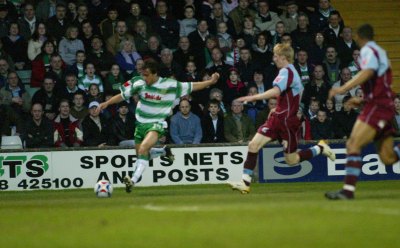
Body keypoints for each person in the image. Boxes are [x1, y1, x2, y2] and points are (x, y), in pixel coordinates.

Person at [96, 59, 220, 193]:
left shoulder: (169, 85)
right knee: (142, 155)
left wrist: (210, 82)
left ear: (155, 74)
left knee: (143, 148)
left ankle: (133, 180)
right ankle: (163, 151)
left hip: (157, 124)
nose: (144, 77)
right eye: (143, 74)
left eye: (147, 75)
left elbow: (193, 86)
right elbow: (122, 95)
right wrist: (106, 103)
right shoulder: (140, 83)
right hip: (140, 124)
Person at [228, 43, 336, 194]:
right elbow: (285, 97)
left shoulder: (287, 72)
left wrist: (254, 97)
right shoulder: (287, 72)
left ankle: (320, 148)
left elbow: (276, 91)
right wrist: (276, 109)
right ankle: (245, 182)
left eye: (276, 56)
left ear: (283, 57)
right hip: (277, 118)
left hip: (286, 123)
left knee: (291, 160)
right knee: (253, 145)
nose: (274, 59)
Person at [325, 24, 400, 199]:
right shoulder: (379, 52)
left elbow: (367, 72)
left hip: (378, 107)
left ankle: (347, 191)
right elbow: (380, 82)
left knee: (353, 144)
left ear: (358, 37)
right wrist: (363, 99)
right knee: (387, 158)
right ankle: (347, 192)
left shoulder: (368, 51)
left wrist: (343, 88)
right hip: (376, 105)